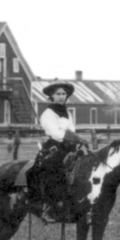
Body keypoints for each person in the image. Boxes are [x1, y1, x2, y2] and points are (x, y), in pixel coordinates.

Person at [28, 80, 90, 222]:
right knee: (54, 169)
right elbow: (56, 133)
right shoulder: (47, 114)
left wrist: (76, 139)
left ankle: (82, 204)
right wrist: (76, 138)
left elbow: (71, 129)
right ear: (51, 96)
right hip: (54, 147)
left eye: (64, 94)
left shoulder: (67, 113)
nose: (61, 96)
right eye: (58, 94)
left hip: (70, 146)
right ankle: (50, 208)